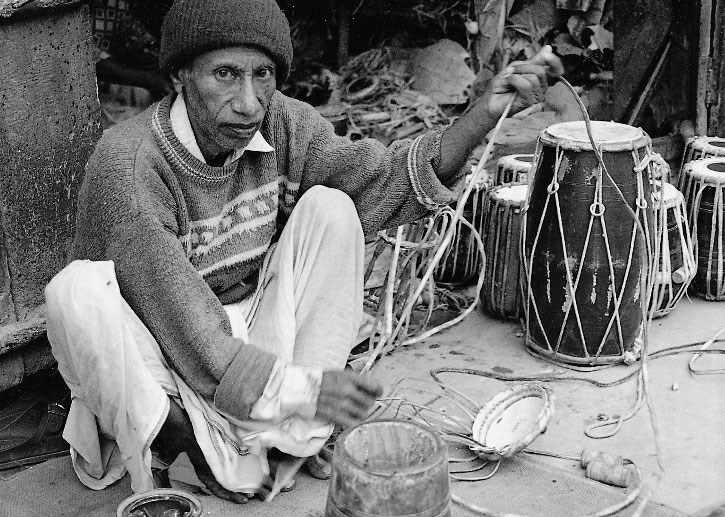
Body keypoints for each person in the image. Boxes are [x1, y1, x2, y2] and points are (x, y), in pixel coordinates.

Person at [45, 0, 563, 504]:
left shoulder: (282, 124)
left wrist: (484, 114)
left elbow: (380, 181)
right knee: (79, 294)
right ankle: (196, 447)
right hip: (164, 353)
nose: (249, 102)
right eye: (225, 75)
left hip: (245, 335)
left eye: (263, 75)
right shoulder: (131, 164)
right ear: (182, 75)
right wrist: (300, 389)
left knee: (332, 207)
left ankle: (295, 432)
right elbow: (184, 321)